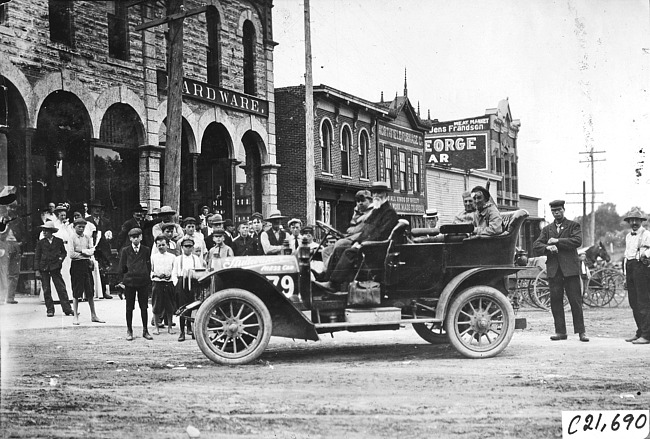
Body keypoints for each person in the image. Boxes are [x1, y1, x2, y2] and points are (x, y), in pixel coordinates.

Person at [316, 182, 398, 292]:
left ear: (386, 195)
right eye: (374, 193)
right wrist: (358, 241)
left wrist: (361, 244)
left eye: (379, 193)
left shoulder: (389, 213)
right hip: (368, 245)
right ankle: (325, 280)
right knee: (339, 248)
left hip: (378, 248)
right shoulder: (376, 211)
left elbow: (381, 234)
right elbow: (366, 230)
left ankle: (334, 284)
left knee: (349, 252)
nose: (376, 195)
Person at [533, 200, 588, 342]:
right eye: (554, 211)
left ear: (564, 210)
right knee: (556, 301)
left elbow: (577, 241)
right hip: (554, 270)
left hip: (570, 270)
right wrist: (547, 247)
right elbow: (536, 245)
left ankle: (581, 332)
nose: (556, 213)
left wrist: (557, 242)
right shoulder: (547, 229)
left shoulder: (573, 225)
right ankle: (560, 332)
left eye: (559, 210)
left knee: (575, 301)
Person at [117, 228, 153, 341]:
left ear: (141, 237)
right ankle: (129, 330)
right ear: (130, 238)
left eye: (138, 236)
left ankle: (145, 330)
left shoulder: (146, 250)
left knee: (144, 307)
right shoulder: (125, 250)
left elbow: (149, 265)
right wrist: (122, 281)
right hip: (130, 283)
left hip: (143, 282)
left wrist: (148, 279)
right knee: (129, 307)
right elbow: (122, 267)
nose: (136, 238)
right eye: (133, 237)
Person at [69, 217, 105, 325]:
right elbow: (71, 254)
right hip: (76, 265)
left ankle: (93, 315)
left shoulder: (88, 237)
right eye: (79, 227)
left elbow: (91, 251)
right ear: (74, 227)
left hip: (86, 264)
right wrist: (85, 253)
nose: (81, 229)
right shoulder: (72, 238)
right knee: (76, 291)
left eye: (83, 227)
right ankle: (75, 316)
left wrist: (82, 251)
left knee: (90, 291)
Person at [34, 221, 74, 317]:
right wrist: (37, 270)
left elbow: (63, 253)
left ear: (51, 231)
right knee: (46, 290)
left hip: (55, 268)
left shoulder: (59, 241)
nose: (44, 232)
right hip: (44, 268)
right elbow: (37, 257)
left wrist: (59, 260)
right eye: (43, 230)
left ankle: (67, 309)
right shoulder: (41, 243)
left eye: (46, 230)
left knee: (61, 288)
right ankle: (50, 310)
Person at [622, 209, 650, 344]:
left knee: (643, 302)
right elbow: (626, 256)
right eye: (631, 220)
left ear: (641, 221)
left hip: (642, 269)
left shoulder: (647, 234)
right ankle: (640, 332)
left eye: (636, 220)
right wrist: (625, 275)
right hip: (630, 268)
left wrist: (646, 255)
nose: (634, 223)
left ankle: (647, 335)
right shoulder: (628, 236)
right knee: (633, 303)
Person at [172, 237, 205, 342]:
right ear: (182, 247)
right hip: (182, 283)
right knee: (183, 308)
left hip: (193, 283)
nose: (188, 249)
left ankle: (191, 329)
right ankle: (182, 332)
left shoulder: (196, 259)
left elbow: (200, 272)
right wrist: (176, 284)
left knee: (193, 306)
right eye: (186, 246)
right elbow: (174, 273)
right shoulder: (178, 259)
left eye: (190, 246)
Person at [85, 199, 113, 299]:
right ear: (91, 209)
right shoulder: (87, 220)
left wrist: (109, 235)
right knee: (91, 269)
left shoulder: (105, 221)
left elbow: (109, 233)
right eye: (95, 208)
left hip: (103, 249)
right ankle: (91, 292)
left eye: (99, 208)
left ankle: (104, 292)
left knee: (103, 270)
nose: (97, 210)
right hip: (92, 248)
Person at [150, 234, 176, 336]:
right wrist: (157, 275)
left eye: (163, 244)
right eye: (159, 245)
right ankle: (156, 327)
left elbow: (174, 271)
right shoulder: (153, 257)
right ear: (156, 246)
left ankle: (169, 326)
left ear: (167, 245)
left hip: (168, 283)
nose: (161, 247)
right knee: (156, 306)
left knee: (169, 306)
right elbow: (151, 271)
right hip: (157, 283)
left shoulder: (172, 257)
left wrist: (170, 277)